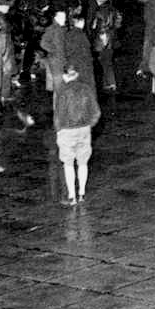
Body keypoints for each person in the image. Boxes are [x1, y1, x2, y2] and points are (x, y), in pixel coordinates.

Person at [54, 64, 102, 205]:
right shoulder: (86, 89)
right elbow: (96, 112)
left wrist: (59, 130)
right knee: (83, 162)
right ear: (77, 74)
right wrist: (89, 124)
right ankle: (82, 193)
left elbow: (58, 116)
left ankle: (71, 196)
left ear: (64, 76)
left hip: (67, 130)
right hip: (84, 130)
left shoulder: (62, 91)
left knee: (68, 164)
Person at [87, 0, 119, 91]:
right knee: (107, 59)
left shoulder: (98, 11)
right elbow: (118, 23)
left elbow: (93, 25)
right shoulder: (113, 10)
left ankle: (111, 82)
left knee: (104, 60)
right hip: (111, 37)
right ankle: (108, 83)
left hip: (101, 37)